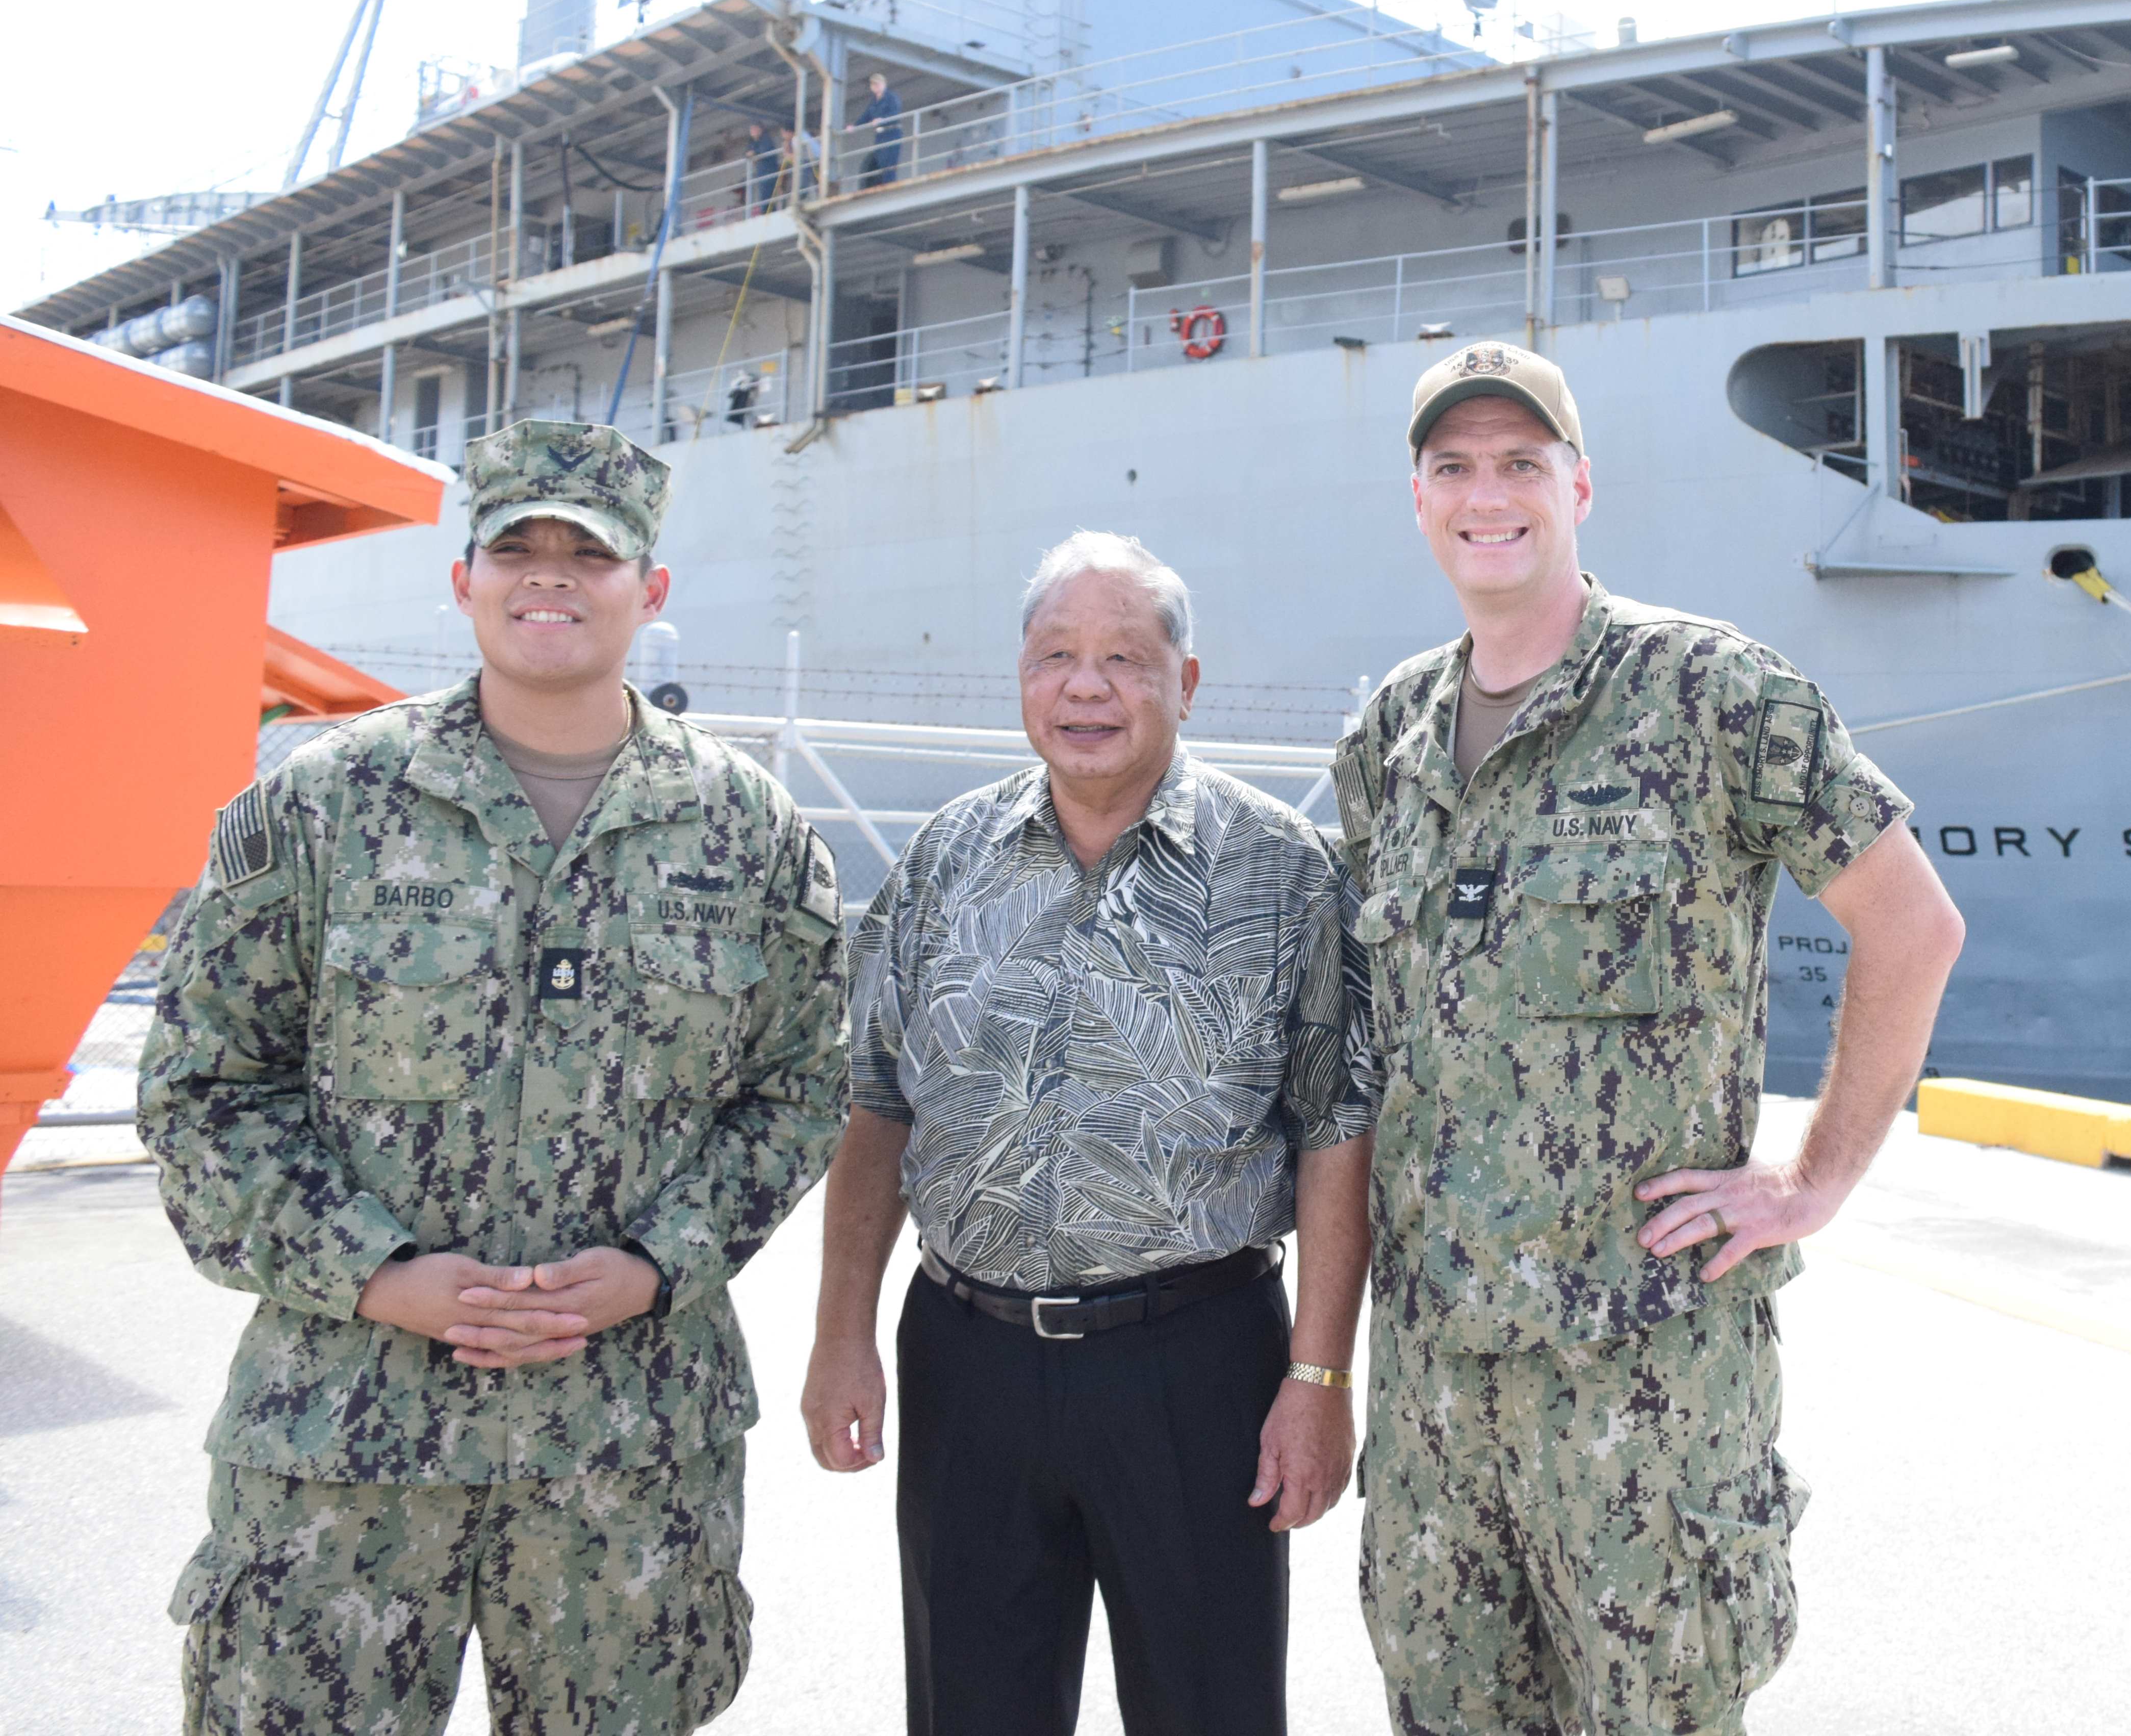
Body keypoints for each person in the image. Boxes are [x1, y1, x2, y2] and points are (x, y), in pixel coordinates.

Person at [139, 419, 850, 1735]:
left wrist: (658, 1257)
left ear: (654, 591)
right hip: (343, 1447)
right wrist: (376, 1272)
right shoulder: (321, 808)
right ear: (460, 581)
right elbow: (203, 1094)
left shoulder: (751, 834)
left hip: (626, 1454)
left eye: (591, 552)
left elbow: (800, 1092)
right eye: (515, 546)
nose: (551, 576)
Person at [1334, 343, 1966, 1735]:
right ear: (1420, 501)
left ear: (1579, 485)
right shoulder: (1391, 733)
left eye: (1519, 463)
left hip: (1644, 1392)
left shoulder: (1711, 695)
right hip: (1439, 1399)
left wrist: (1814, 1182)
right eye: (1453, 467)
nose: (1485, 494)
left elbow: (1913, 926)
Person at [804, 530, 1378, 1736]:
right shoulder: (945, 859)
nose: (1087, 686)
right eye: (1057, 654)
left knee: (1209, 1709)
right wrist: (840, 1336)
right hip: (971, 1354)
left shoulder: (1284, 873)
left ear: (1187, 681)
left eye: (1125, 656)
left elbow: (1338, 1129)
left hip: (1195, 1361)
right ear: (1020, 675)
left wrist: (1318, 1378)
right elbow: (879, 1106)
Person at [856, 72, 905, 190]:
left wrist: (882, 120)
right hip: (880, 135)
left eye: (878, 84)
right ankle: (884, 185)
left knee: (890, 163)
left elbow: (896, 113)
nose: (876, 87)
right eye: (874, 85)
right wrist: (855, 126)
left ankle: (890, 187)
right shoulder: (874, 102)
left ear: (884, 84)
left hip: (892, 133)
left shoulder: (891, 98)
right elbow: (866, 116)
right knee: (881, 161)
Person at [744, 119, 784, 212]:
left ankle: (769, 213)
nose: (753, 132)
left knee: (769, 196)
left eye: (755, 129)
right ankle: (767, 213)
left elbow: (763, 152)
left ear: (760, 130)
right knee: (764, 197)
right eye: (751, 130)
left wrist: (754, 154)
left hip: (770, 173)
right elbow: (747, 154)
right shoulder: (753, 143)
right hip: (762, 174)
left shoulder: (766, 139)